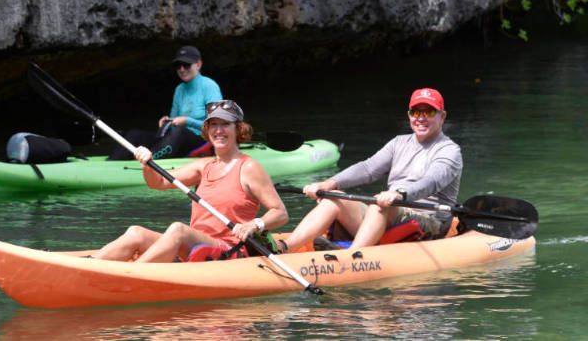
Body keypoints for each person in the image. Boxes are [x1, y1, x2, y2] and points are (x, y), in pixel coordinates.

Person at [93, 100, 289, 262]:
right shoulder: (203, 166)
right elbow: (158, 183)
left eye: (225, 124)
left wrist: (253, 225)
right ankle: (90, 267)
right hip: (197, 247)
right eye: (213, 124)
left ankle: (131, 276)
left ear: (238, 129)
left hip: (228, 251)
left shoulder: (248, 167)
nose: (218, 130)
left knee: (178, 230)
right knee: (136, 232)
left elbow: (280, 213)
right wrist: (147, 163)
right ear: (207, 129)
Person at [278, 88, 462, 252]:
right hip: (390, 210)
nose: (421, 118)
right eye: (416, 112)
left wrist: (399, 194)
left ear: (442, 116)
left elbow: (430, 182)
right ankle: (285, 248)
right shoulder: (399, 142)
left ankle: (352, 257)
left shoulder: (449, 150)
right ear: (409, 115)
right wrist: (329, 183)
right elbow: (368, 168)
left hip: (431, 221)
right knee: (333, 198)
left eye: (429, 112)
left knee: (378, 205)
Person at [108, 45, 223, 160]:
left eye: (186, 65)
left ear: (198, 65)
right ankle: (110, 164)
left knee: (180, 132)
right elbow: (173, 125)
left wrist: (187, 121)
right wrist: (167, 124)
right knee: (135, 134)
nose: (182, 69)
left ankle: (149, 162)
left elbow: (218, 124)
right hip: (178, 139)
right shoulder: (179, 89)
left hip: (202, 141)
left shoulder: (210, 86)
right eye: (178, 66)